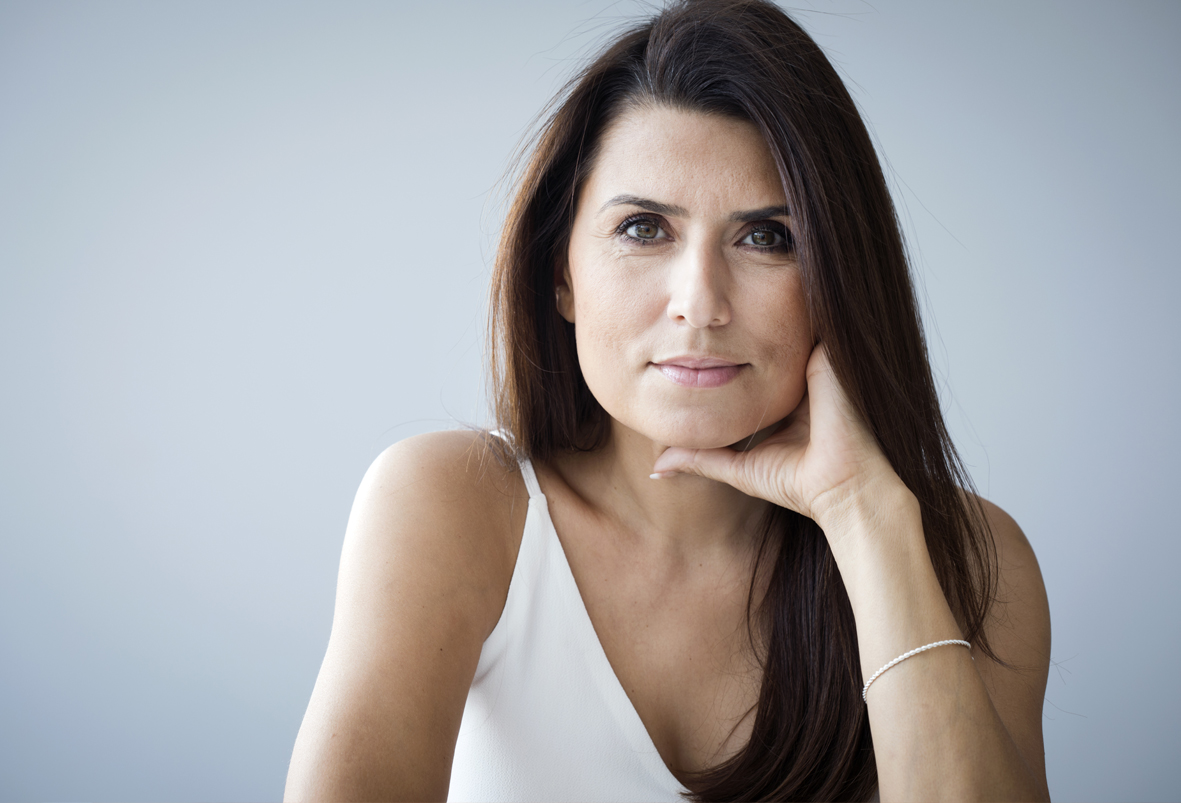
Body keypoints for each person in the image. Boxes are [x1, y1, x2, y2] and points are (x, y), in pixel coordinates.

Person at [284, 1, 1051, 800]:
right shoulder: (456, 506)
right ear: (560, 273)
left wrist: (866, 519)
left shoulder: (975, 562)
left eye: (766, 237)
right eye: (644, 228)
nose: (699, 304)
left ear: (838, 278)